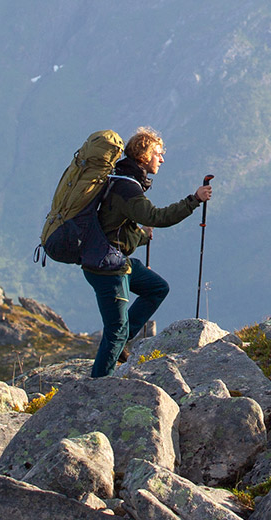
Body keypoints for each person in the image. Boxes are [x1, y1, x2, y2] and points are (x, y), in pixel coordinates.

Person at [85, 127, 212, 377]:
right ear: (144, 156)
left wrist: (142, 235)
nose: (162, 159)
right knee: (115, 330)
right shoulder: (127, 189)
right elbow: (158, 217)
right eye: (158, 153)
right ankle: (96, 387)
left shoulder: (121, 180)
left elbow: (114, 226)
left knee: (156, 288)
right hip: (107, 269)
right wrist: (194, 200)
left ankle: (120, 343)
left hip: (112, 260)